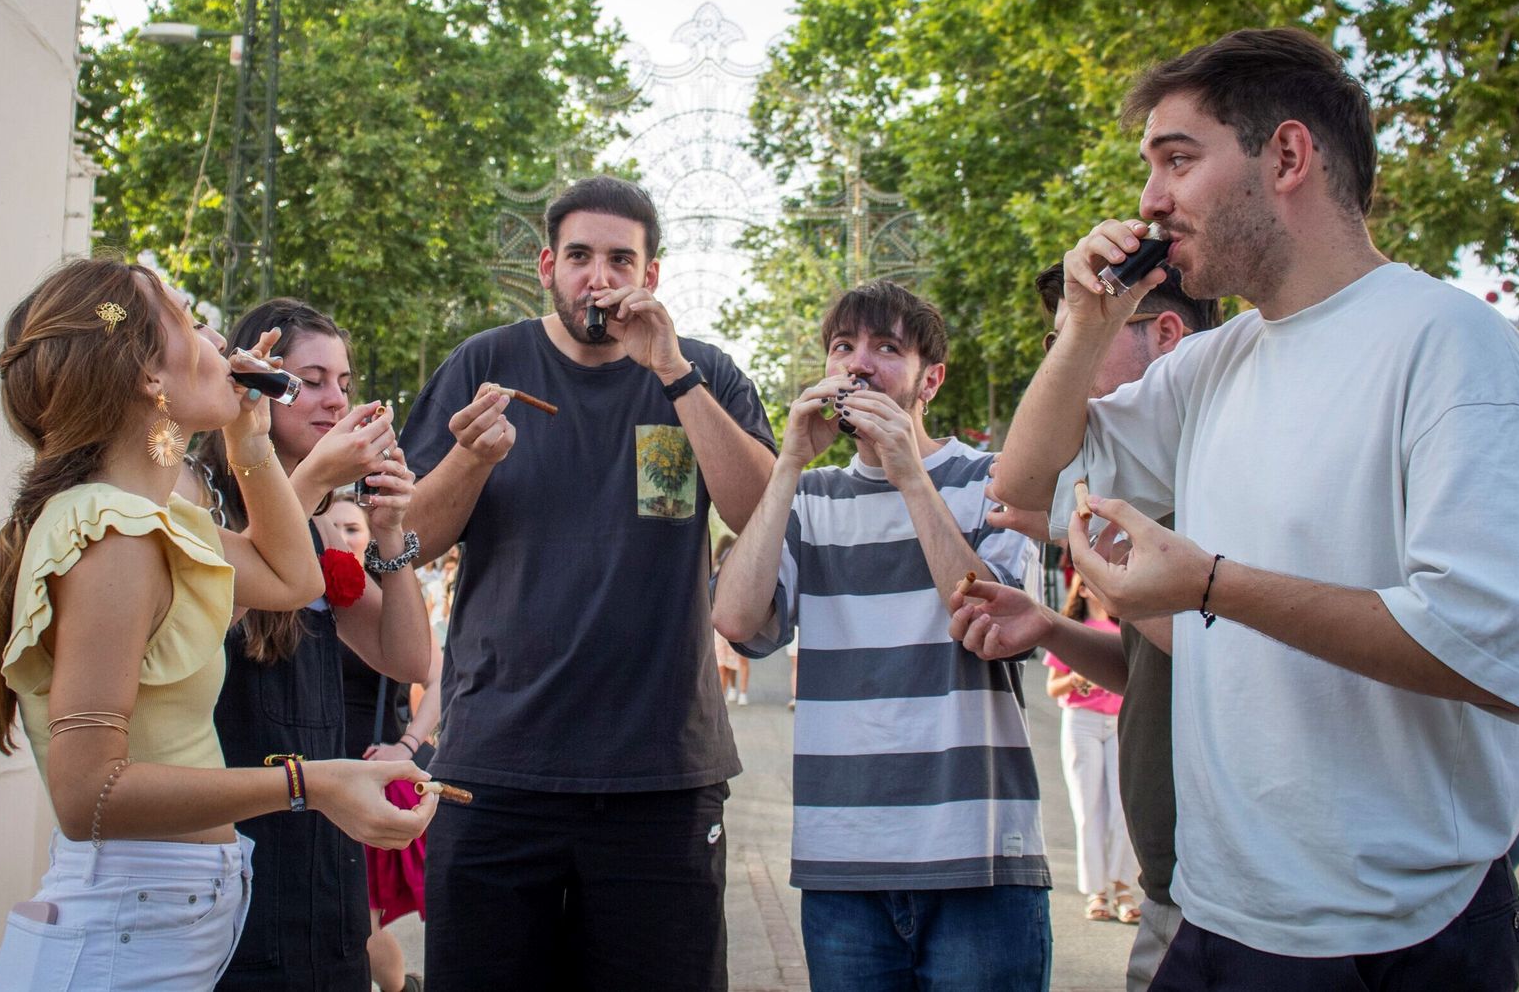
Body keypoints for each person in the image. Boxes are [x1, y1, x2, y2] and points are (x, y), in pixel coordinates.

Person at [960, 27, 1519, 987]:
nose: (1148, 201)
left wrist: (1211, 584)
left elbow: (1493, 648)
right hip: (1218, 910)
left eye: (1177, 160)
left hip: (1394, 930)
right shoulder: (1208, 364)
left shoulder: (1453, 347)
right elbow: (1023, 488)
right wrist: (1082, 328)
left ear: (1287, 156)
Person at [0, 258, 434, 991]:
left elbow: (290, 578)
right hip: (125, 941)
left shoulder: (158, 519)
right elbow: (87, 796)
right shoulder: (115, 537)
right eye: (187, 319)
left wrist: (254, 445)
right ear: (149, 377)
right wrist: (311, 782)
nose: (215, 336)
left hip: (161, 927)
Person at [399, 175, 776, 987]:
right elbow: (409, 542)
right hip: (495, 770)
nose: (597, 278)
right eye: (578, 256)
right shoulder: (485, 363)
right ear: (546, 265)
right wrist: (471, 457)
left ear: (652, 275)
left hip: (661, 775)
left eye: (619, 259)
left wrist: (674, 375)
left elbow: (758, 511)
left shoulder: (703, 371)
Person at [712, 281, 1050, 991]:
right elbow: (737, 621)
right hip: (843, 865)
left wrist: (908, 474)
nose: (858, 365)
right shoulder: (811, 498)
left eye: (886, 349)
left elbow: (989, 626)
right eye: (843, 348)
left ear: (932, 378)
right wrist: (791, 464)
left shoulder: (992, 482)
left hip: (978, 859)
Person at [188, 297, 436, 991]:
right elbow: (205, 626)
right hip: (230, 848)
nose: (336, 401)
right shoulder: (198, 501)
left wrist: (391, 533)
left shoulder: (331, 535)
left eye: (345, 384)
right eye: (313, 380)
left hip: (324, 851)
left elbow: (409, 660)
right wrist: (314, 480)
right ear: (259, 384)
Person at [983, 260, 1216, 989]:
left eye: (1082, 341)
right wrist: (1052, 626)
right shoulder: (1146, 490)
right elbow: (1156, 666)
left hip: (1247, 906)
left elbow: (1251, 663)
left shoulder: (1222, 479)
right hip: (1177, 889)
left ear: (1167, 335)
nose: (1061, 367)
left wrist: (1129, 590)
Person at [331, 492, 436, 992]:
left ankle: (401, 990)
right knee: (343, 922)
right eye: (333, 529)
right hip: (309, 776)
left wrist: (409, 744)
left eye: (352, 529)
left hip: (367, 777)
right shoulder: (302, 586)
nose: (342, 538)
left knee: (358, 925)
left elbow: (440, 677)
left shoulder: (380, 598)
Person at [1045, 574, 1139, 925]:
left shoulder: (1125, 631)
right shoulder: (1072, 631)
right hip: (1081, 721)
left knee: (1122, 809)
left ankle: (1123, 887)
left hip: (1117, 723)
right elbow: (1053, 688)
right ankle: (1097, 891)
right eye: (1091, 582)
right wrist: (1077, 678)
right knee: (1088, 809)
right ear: (1082, 589)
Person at [710, 533, 750, 704]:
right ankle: (739, 693)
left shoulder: (715, 569)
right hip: (739, 616)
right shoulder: (742, 568)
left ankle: (729, 693)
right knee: (737, 659)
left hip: (719, 618)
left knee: (724, 661)